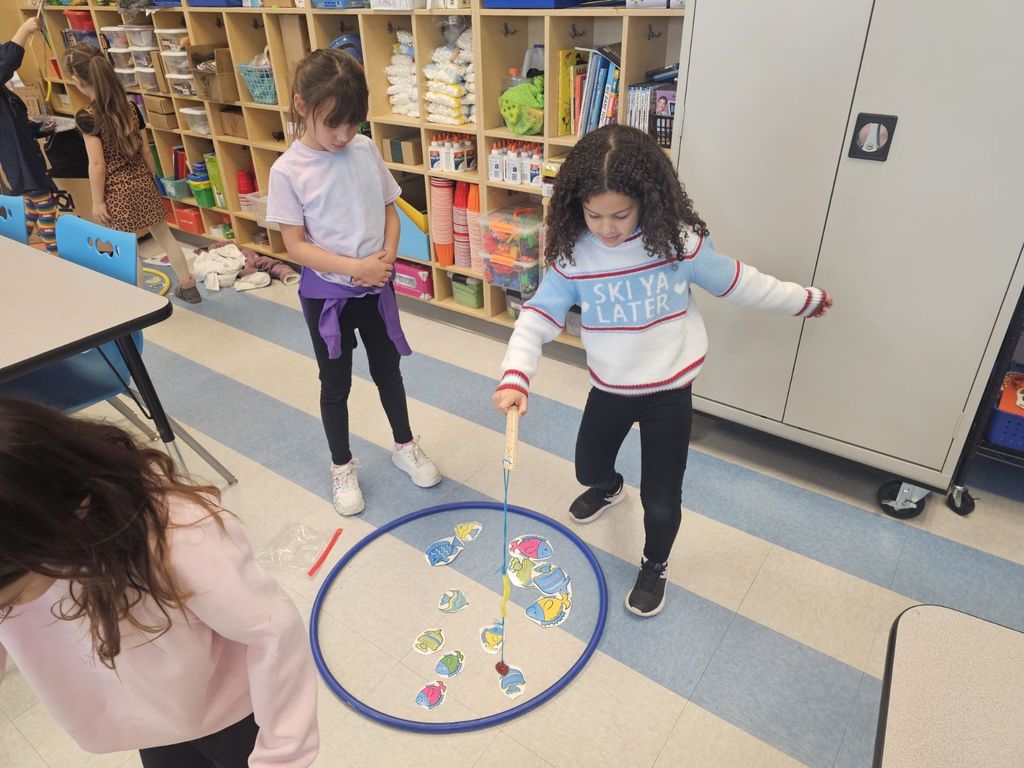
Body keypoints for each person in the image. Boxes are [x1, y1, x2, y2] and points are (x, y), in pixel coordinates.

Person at [492, 124, 832, 617]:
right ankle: (609, 489)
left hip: (669, 393)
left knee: (661, 499)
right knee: (587, 467)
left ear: (647, 202)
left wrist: (803, 300)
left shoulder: (679, 244)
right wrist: (515, 375)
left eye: (620, 215)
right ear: (576, 207)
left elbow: (740, 283)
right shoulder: (575, 256)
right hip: (610, 387)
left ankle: (655, 563)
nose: (607, 228)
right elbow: (538, 317)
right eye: (594, 215)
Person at [0, 396, 318, 767]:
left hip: (229, 716)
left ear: (65, 523)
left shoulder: (180, 539)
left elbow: (273, 636)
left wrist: (283, 754)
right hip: (150, 722)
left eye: (10, 601)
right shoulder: (24, 546)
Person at [266, 48, 441, 516]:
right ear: (302, 106)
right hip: (328, 296)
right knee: (335, 383)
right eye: (333, 125)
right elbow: (296, 248)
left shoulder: (363, 149)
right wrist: (354, 269)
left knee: (389, 371)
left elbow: (389, 206)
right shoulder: (288, 171)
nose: (344, 136)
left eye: (353, 124)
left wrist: (387, 253)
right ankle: (341, 465)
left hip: (374, 285)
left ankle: (404, 445)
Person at [63, 44, 200, 303]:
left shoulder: (87, 117)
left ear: (80, 81)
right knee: (164, 236)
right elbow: (146, 151)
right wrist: (152, 179)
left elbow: (97, 165)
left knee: (128, 249)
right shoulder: (130, 107)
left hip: (116, 192)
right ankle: (188, 286)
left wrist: (97, 201)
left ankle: (139, 303)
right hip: (143, 181)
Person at [1, 17, 58, 253]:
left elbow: (16, 122)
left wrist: (40, 129)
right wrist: (23, 30)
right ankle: (55, 253)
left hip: (23, 152)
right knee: (43, 201)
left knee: (33, 203)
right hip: (16, 157)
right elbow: (6, 61)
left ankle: (16, 247)